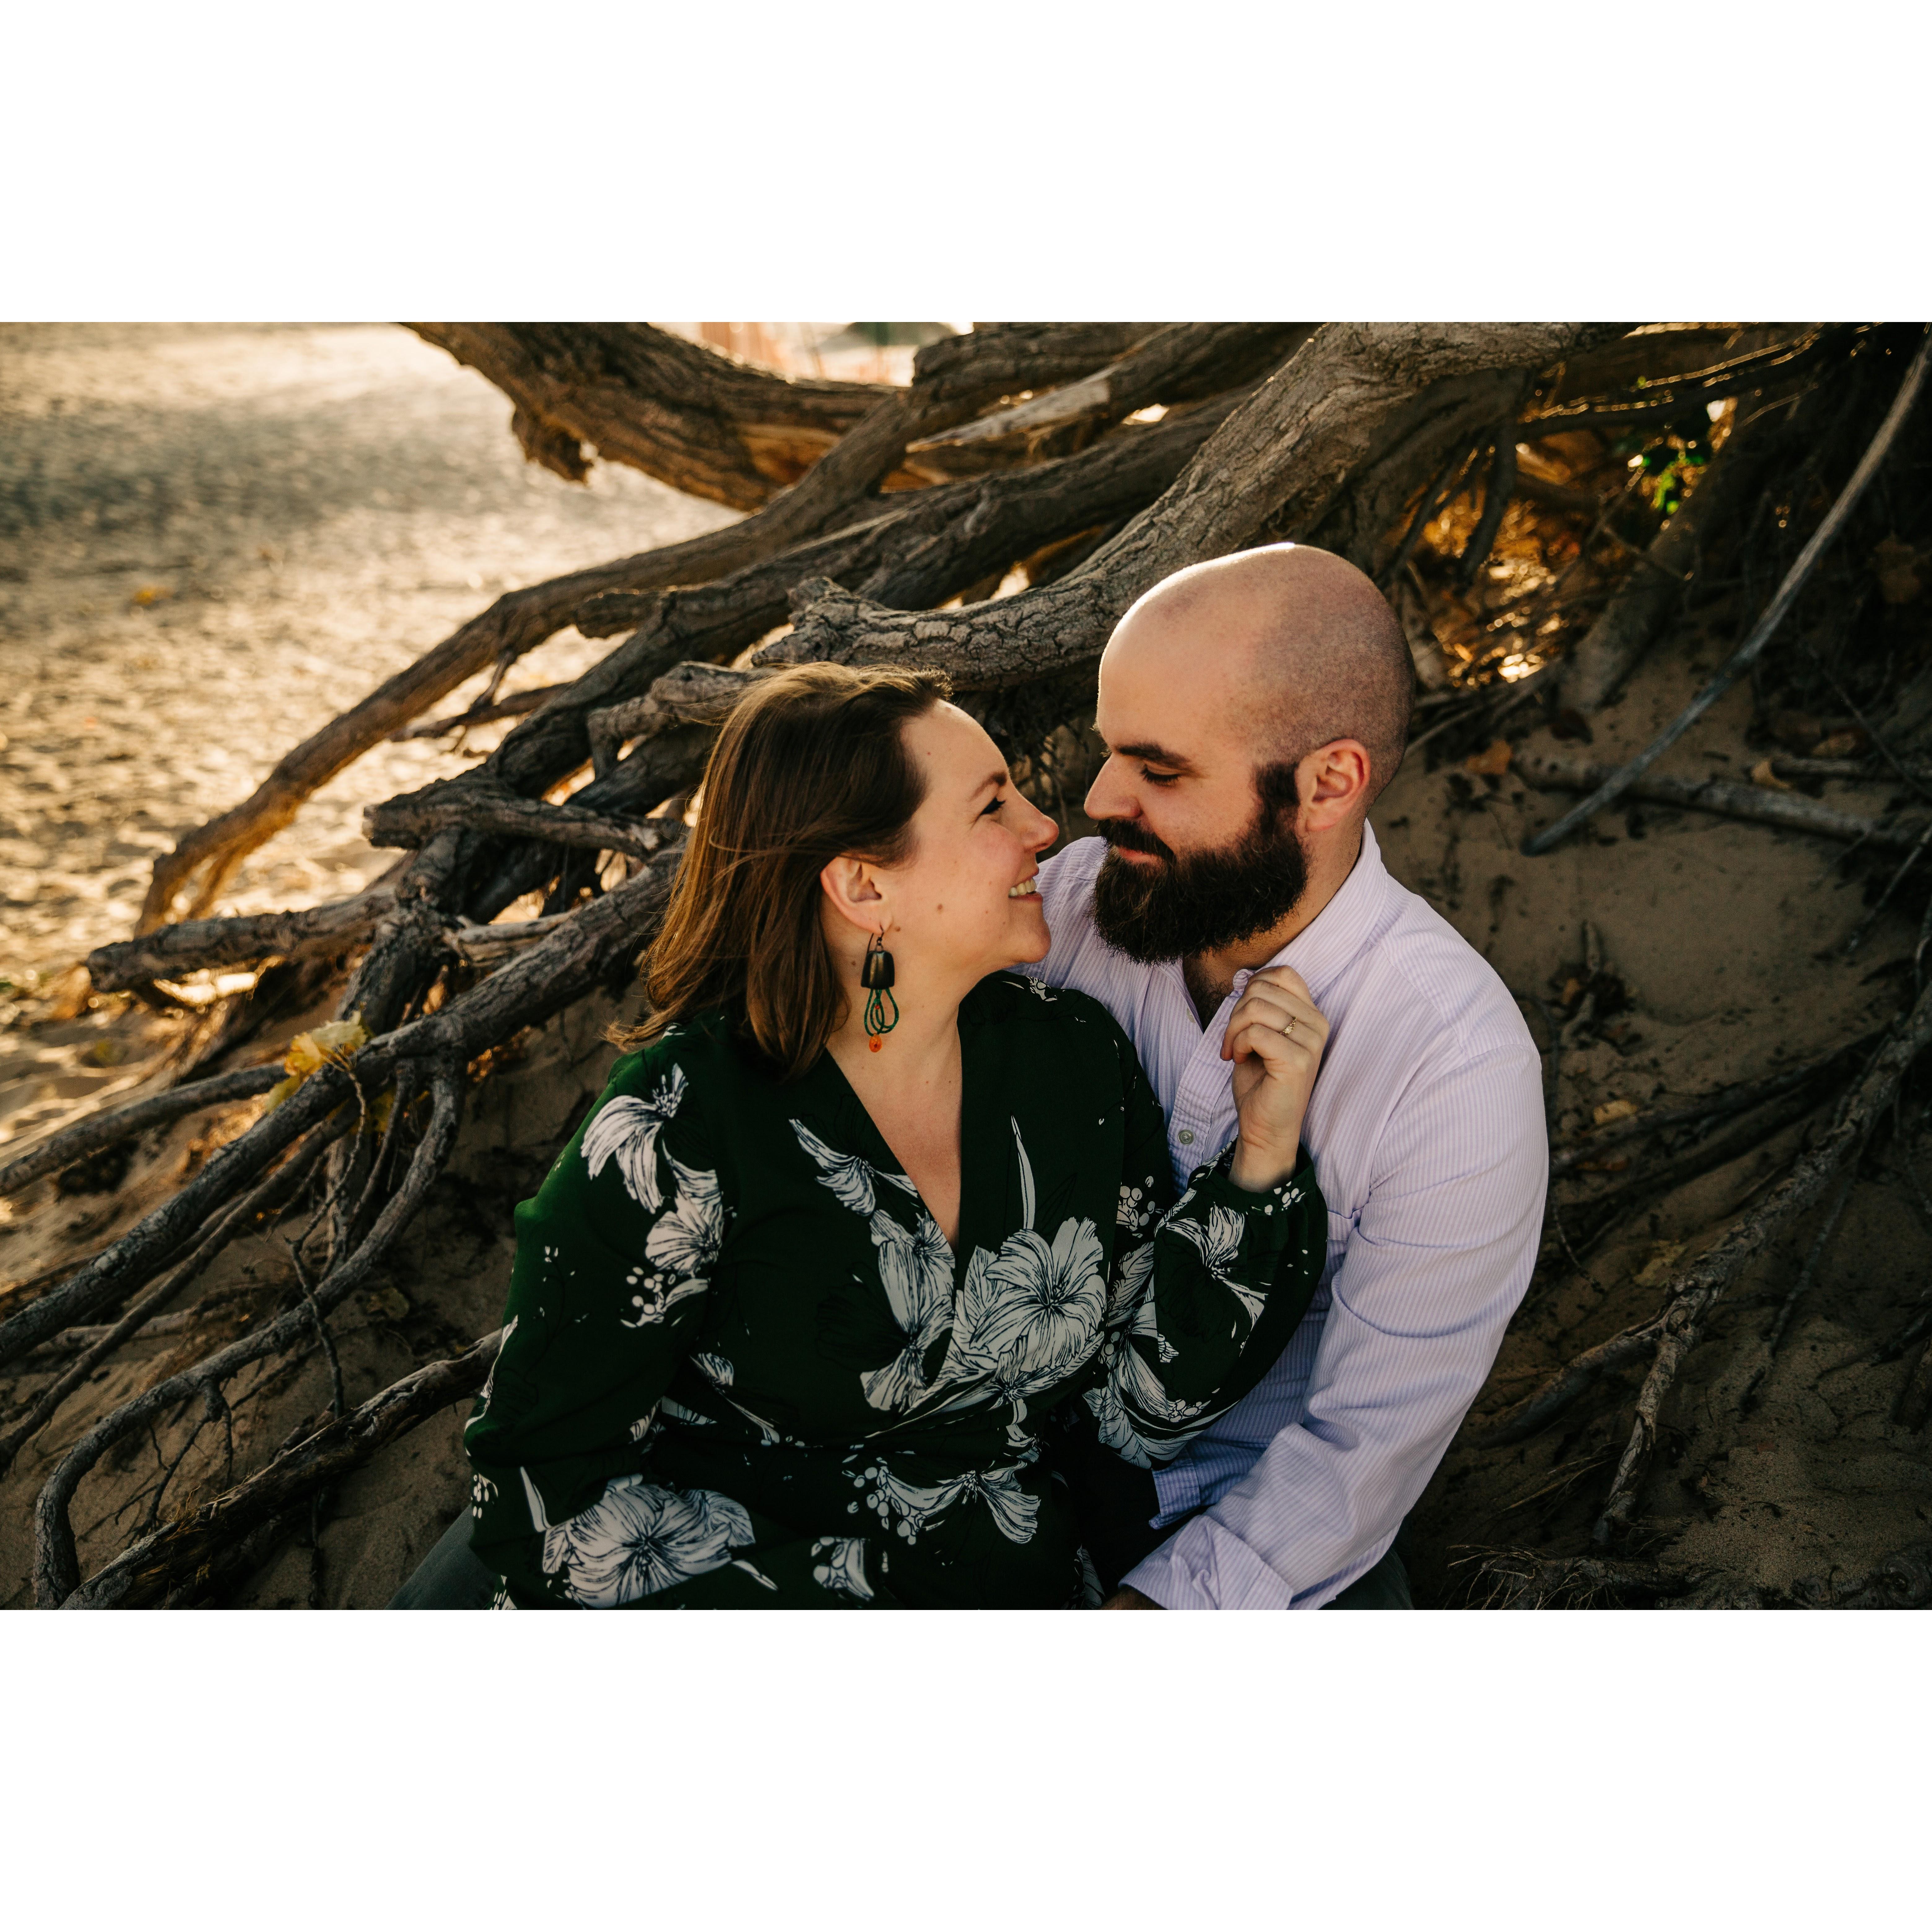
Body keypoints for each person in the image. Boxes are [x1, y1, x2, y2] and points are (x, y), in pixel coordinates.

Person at [452, 661, 1332, 1608]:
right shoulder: (678, 1131)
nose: (1046, 828)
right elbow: (543, 1497)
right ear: (865, 888)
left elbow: (1133, 1412)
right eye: (993, 807)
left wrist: (1262, 1160)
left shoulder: (1070, 1067)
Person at [1037, 542, 1549, 1610]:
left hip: (1256, 1540)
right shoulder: (1066, 911)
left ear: (1327, 784)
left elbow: (1360, 1456)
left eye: (1159, 770)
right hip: (1013, 1466)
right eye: (1108, 755)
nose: (1098, 800)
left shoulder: (1455, 1069)